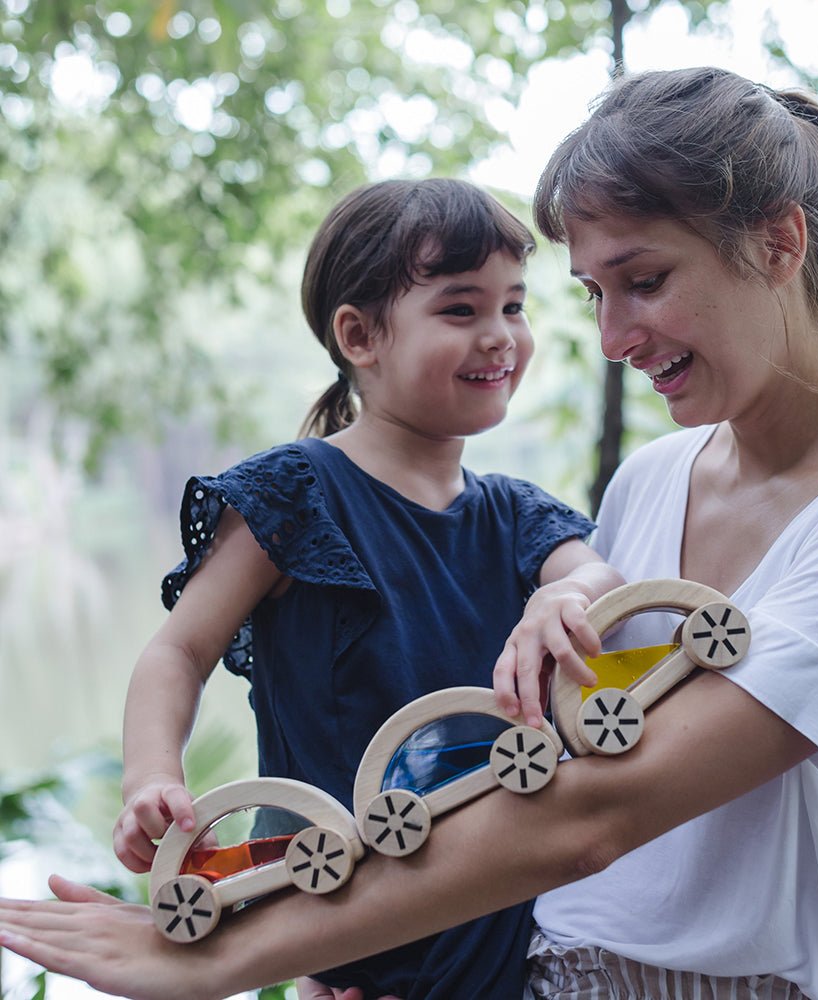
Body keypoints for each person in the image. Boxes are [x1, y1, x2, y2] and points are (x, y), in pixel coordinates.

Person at [2, 66, 818, 1000]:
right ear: (358, 338)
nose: (610, 340)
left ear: (777, 244)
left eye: (642, 280)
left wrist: (231, 956)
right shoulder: (653, 475)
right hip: (529, 967)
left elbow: (597, 812)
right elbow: (550, 770)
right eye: (593, 294)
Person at [104, 177, 621, 1000]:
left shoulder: (517, 514)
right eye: (461, 310)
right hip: (343, 940)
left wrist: (564, 596)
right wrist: (151, 777)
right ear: (359, 335)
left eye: (514, 307)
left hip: (502, 954)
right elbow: (180, 647)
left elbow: (592, 573)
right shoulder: (296, 496)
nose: (500, 337)